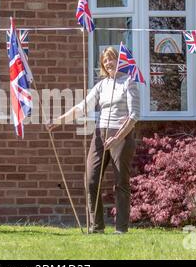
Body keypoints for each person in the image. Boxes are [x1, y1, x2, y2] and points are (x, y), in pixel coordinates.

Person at [47, 46, 140, 234]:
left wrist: (117, 138)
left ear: (120, 61)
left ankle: (121, 229)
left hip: (121, 136)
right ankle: (96, 227)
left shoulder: (129, 82)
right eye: (105, 60)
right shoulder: (101, 85)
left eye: (112, 58)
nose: (108, 62)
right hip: (100, 134)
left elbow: (134, 115)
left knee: (121, 182)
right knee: (90, 179)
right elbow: (82, 107)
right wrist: (58, 121)